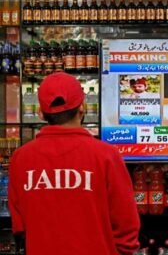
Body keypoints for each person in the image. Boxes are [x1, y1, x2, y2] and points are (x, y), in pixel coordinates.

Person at [8, 72, 140, 255]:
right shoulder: (107, 155)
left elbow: (19, 227)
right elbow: (127, 225)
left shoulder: (21, 159)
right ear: (82, 109)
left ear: (40, 113)